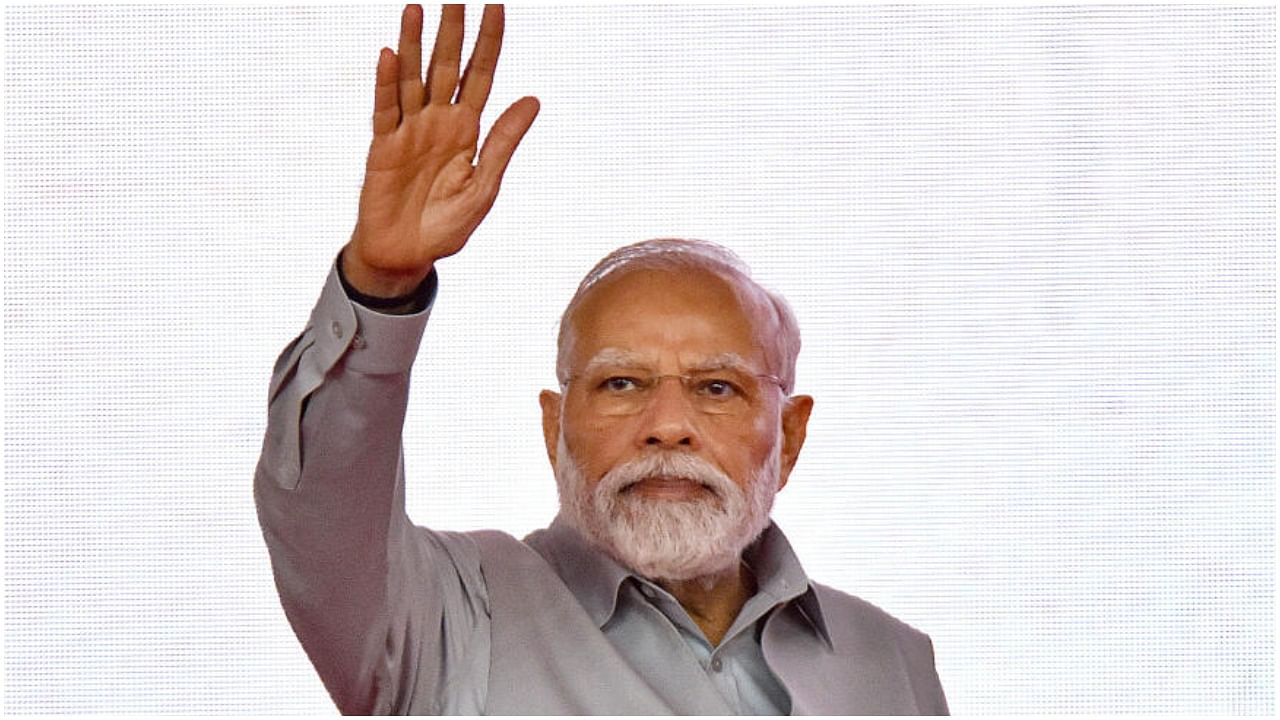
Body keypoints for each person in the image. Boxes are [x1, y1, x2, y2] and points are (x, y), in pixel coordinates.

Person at [255, 4, 948, 714]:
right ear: (554, 427)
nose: (668, 425)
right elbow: (320, 508)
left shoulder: (892, 662)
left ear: (791, 435)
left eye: (716, 388)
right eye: (622, 382)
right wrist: (381, 285)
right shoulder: (447, 619)